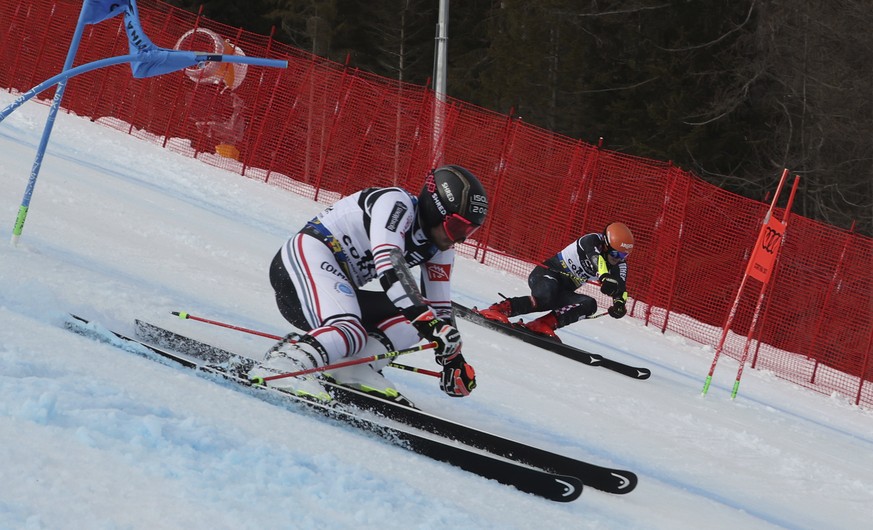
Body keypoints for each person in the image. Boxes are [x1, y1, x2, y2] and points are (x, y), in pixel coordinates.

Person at [248, 165, 489, 402]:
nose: (459, 238)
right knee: (349, 329)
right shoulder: (396, 204)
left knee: (424, 315)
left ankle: (354, 369)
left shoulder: (441, 248)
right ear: (435, 209)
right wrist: (431, 325)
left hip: (335, 287)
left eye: (469, 231)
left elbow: (440, 309)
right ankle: (284, 366)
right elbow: (390, 266)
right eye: (457, 227)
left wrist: (454, 360)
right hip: (303, 262)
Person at [477, 222, 634, 339]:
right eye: (616, 254)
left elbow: (621, 288)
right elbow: (595, 258)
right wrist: (604, 276)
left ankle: (543, 324)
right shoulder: (591, 241)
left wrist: (620, 304)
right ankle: (498, 309)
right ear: (606, 245)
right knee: (546, 296)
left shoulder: (619, 265)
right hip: (545, 274)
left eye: (623, 256)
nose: (618, 259)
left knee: (589, 304)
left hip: (563, 290)